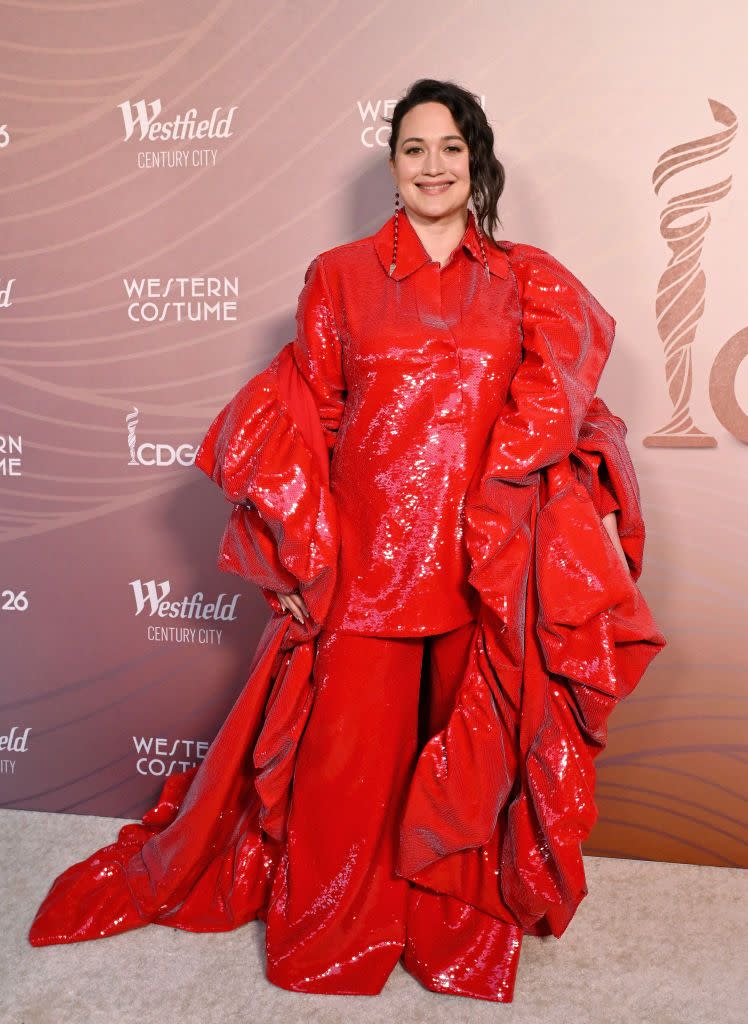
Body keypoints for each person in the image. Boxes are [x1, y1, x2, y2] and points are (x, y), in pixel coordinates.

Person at [27, 79, 667, 1004]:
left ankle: (449, 916)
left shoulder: (530, 281)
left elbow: (570, 409)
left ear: (476, 160)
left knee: (469, 757)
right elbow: (304, 417)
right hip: (367, 565)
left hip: (481, 567)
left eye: (450, 148)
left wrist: (588, 502)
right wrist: (291, 556)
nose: (433, 165)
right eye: (414, 149)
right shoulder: (340, 276)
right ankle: (335, 921)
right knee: (344, 772)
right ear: (395, 166)